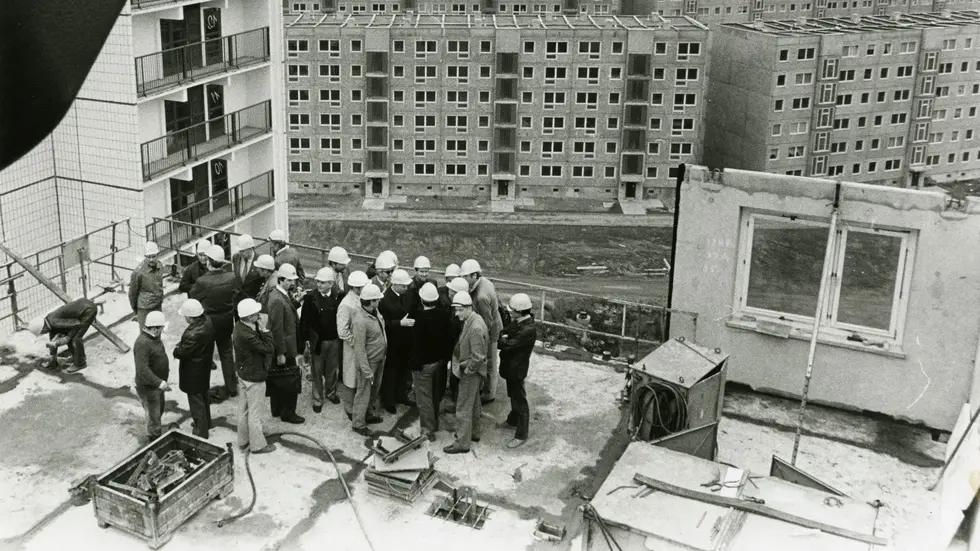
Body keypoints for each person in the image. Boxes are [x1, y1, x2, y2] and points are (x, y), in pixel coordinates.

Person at [189, 245, 241, 402]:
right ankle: (232, 388)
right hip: (226, 320)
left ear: (209, 261)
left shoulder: (202, 281)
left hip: (208, 322)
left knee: (205, 356)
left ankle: (203, 389)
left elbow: (193, 298)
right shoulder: (231, 277)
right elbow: (236, 293)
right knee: (226, 354)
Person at [444, 291, 489, 454]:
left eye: (459, 310)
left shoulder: (475, 327)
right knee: (475, 402)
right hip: (474, 371)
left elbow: (478, 356)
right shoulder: (474, 319)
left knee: (463, 407)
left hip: (471, 372)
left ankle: (462, 443)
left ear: (468, 307)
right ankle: (474, 433)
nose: (456, 314)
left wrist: (468, 370)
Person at [409, 283, 454, 441]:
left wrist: (414, 364)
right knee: (436, 393)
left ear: (422, 299)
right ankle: (434, 422)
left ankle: (428, 430)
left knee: (424, 398)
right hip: (440, 362)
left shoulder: (420, 320)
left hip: (424, 365)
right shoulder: (444, 315)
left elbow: (417, 346)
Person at [233, 299, 277, 454]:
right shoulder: (248, 335)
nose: (259, 315)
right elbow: (268, 348)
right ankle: (258, 445)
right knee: (255, 412)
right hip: (254, 376)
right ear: (249, 316)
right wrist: (265, 331)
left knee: (243, 409)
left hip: (244, 373)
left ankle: (243, 440)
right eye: (256, 314)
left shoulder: (239, 327)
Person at [460, 259, 503, 406]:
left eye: (465, 276)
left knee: (490, 361)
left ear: (474, 275)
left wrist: (482, 340)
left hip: (490, 331)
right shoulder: (484, 281)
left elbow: (487, 321)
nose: (463, 279)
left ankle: (489, 394)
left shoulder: (481, 296)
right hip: (492, 325)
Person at [299, 267, 342, 413]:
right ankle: (317, 399)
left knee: (332, 369)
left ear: (331, 283)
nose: (319, 285)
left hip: (335, 341)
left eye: (323, 283)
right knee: (316, 371)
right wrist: (305, 340)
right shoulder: (310, 298)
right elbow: (304, 321)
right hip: (317, 342)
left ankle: (331, 393)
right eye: (317, 281)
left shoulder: (339, 296)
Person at [266, 263, 305, 424]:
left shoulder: (280, 295)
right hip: (284, 348)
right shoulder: (277, 299)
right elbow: (277, 329)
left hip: (283, 346)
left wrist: (297, 302)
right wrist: (281, 352)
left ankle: (277, 409)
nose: (293, 284)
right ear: (281, 280)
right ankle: (288, 413)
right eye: (289, 280)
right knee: (289, 381)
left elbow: (285, 314)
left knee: (278, 378)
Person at [498, 293, 537, 448]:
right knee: (513, 395)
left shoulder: (528, 329)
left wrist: (504, 339)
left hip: (516, 369)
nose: (510, 312)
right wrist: (505, 337)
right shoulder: (520, 322)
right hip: (510, 367)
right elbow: (504, 333)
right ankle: (512, 421)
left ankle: (521, 434)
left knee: (519, 400)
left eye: (512, 310)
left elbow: (507, 344)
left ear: (520, 312)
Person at [173, 299, 215, 439]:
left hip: (193, 371)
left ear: (190, 317)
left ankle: (200, 432)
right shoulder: (207, 322)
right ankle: (206, 423)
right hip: (203, 367)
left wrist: (177, 349)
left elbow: (182, 352)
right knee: (203, 396)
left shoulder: (192, 334)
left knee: (196, 403)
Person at [350, 283, 387, 436]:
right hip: (369, 363)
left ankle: (368, 414)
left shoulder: (374, 312)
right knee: (363, 392)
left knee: (374, 390)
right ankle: (358, 423)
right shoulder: (360, 320)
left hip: (379, 359)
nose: (379, 301)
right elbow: (359, 348)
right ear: (371, 301)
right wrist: (366, 370)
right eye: (377, 299)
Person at [27, 297, 98, 373]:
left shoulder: (54, 322)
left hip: (87, 310)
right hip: (82, 306)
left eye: (42, 333)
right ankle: (77, 357)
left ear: (43, 328)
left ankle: (80, 364)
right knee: (70, 337)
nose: (44, 334)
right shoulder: (49, 321)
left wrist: (68, 337)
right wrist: (53, 358)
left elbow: (77, 323)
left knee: (76, 338)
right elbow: (53, 339)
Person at [379, 268, 415, 413]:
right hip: (393, 342)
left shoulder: (406, 295)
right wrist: (399, 323)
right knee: (391, 372)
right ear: (395, 284)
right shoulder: (384, 300)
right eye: (403, 286)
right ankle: (388, 400)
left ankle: (401, 395)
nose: (406, 288)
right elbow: (382, 323)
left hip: (405, 341)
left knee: (403, 370)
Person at [133, 311, 170, 441]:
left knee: (158, 411)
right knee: (154, 416)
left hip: (157, 385)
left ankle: (155, 431)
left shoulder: (154, 337)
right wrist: (160, 383)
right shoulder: (143, 343)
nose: (162, 330)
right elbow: (143, 370)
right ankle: (154, 440)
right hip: (149, 387)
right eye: (161, 328)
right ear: (154, 328)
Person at [337, 270, 369, 420]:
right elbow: (342, 331)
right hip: (352, 348)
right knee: (351, 378)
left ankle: (360, 407)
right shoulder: (346, 304)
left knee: (360, 378)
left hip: (363, 347)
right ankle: (349, 408)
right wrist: (356, 344)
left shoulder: (362, 299)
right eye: (360, 287)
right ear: (354, 287)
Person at [442, 277, 471, 413]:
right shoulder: (463, 308)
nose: (449, 293)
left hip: (459, 351)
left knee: (457, 378)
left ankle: (458, 404)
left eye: (452, 291)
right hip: (457, 349)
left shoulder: (461, 315)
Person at [129, 241, 164, 329]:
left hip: (157, 305)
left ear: (158, 255)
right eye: (148, 257)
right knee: (146, 333)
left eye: (153, 256)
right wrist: (136, 311)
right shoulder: (138, 273)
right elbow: (132, 294)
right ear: (145, 257)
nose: (151, 259)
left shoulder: (159, 266)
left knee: (158, 329)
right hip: (145, 309)